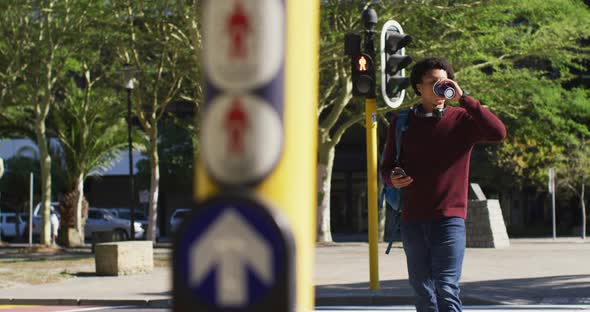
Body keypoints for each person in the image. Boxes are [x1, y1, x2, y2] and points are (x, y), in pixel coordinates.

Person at [380, 57, 506, 312]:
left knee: (446, 288)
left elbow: (498, 132)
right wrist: (391, 178)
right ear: (418, 87)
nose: (439, 87)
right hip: (412, 219)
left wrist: (465, 98)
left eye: (444, 81)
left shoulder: (462, 119)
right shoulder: (402, 122)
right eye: (432, 82)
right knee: (423, 291)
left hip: (449, 219)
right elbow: (385, 167)